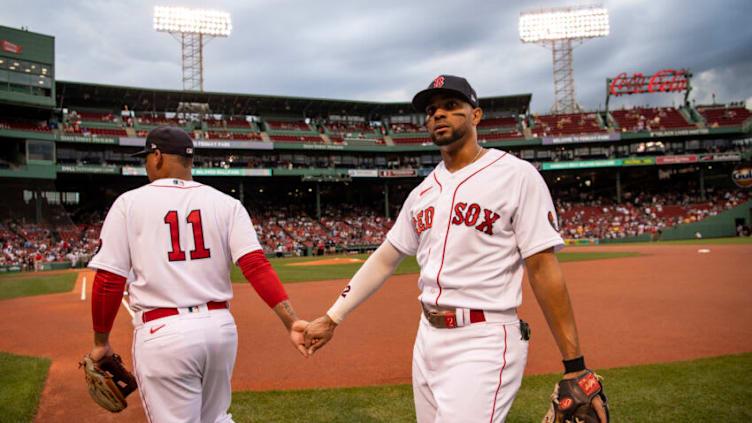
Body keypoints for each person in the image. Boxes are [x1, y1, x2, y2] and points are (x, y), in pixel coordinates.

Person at [304, 75, 607, 422]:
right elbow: (386, 257)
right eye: (432, 110)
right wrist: (332, 317)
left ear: (476, 115)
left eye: (451, 106)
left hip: (484, 338)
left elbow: (542, 267)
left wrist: (574, 365)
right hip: (427, 338)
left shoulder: (516, 175)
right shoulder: (422, 193)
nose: (438, 115)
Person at [87, 126, 309, 422]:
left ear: (157, 156)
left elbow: (109, 281)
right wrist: (291, 322)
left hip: (163, 334)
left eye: (146, 157)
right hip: (220, 331)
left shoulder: (129, 203)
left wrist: (101, 343)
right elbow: (256, 266)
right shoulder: (227, 204)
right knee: (216, 417)